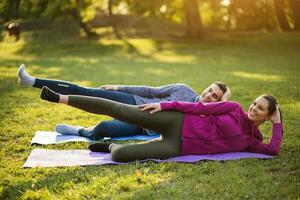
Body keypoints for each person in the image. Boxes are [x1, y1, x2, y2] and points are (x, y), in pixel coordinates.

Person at [39, 86, 283, 163]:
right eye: (254, 103)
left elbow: (273, 150)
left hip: (179, 147)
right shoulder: (233, 108)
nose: (253, 108)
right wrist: (166, 106)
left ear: (267, 116)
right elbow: (198, 107)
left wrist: (278, 123)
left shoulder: (254, 142)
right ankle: (60, 98)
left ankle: (111, 145)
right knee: (121, 110)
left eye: (260, 108)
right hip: (179, 121)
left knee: (122, 156)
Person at [17, 64, 230, 139]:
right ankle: (32, 81)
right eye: (209, 90)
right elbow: (150, 90)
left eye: (215, 96)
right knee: (87, 92)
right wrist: (119, 87)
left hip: (142, 125)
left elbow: (227, 118)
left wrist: (225, 99)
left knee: (102, 129)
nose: (208, 96)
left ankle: (79, 131)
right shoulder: (183, 89)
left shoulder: (206, 116)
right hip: (134, 100)